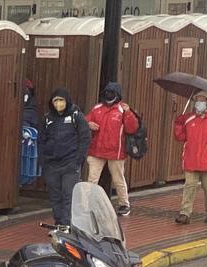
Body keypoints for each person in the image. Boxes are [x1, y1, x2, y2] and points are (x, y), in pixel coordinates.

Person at [38, 88, 92, 226]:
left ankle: (67, 225)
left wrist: (78, 160)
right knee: (55, 197)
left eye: (61, 100)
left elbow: (85, 137)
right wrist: (43, 161)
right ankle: (59, 223)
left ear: (67, 101)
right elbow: (41, 140)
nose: (58, 104)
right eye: (55, 101)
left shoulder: (76, 116)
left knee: (69, 195)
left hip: (70, 163)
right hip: (52, 165)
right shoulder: (47, 119)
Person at [85, 82, 139, 217]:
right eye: (107, 92)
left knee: (118, 179)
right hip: (96, 150)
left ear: (118, 95)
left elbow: (132, 128)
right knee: (92, 179)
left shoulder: (122, 110)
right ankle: (88, 204)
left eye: (112, 92)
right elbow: (85, 121)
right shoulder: (97, 108)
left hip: (116, 152)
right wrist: (88, 124)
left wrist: (128, 113)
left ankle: (124, 204)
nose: (108, 95)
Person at [173, 92, 207, 225]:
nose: (199, 102)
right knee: (189, 186)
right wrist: (178, 124)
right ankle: (185, 213)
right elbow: (180, 137)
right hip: (191, 159)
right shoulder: (188, 118)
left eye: (202, 100)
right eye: (197, 100)